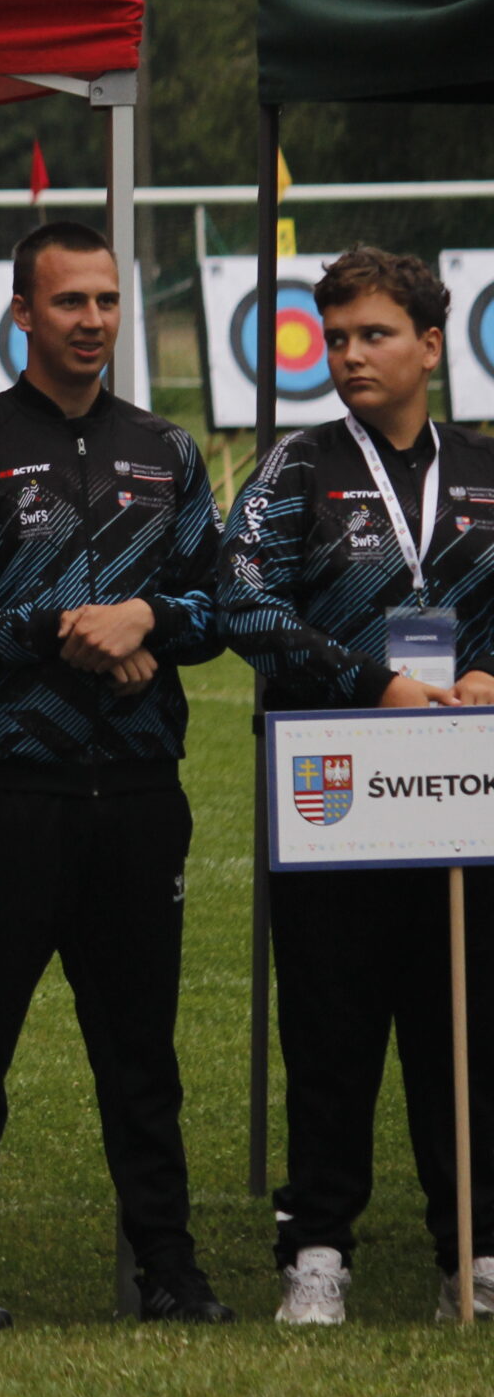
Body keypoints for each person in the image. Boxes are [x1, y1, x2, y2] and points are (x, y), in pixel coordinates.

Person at [0, 219, 231, 1325]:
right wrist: (72, 629)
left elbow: (221, 602)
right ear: (20, 312)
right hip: (7, 793)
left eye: (106, 299)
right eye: (68, 301)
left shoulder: (168, 448)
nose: (93, 320)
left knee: (143, 1055)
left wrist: (146, 616)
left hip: (141, 793)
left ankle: (169, 1269)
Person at [220, 246, 494, 1324]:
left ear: (429, 344)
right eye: (334, 338)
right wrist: (368, 682)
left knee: (464, 1018)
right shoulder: (296, 468)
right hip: (333, 785)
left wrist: (488, 670)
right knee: (329, 1023)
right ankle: (318, 1246)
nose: (348, 356)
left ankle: (471, 1246)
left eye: (373, 335)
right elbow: (241, 602)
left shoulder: (483, 468)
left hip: (460, 786)